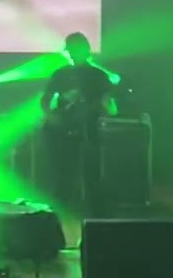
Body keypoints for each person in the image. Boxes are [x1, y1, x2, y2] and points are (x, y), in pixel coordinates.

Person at [40, 32, 118, 216]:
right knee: (63, 173)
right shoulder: (60, 74)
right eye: (69, 50)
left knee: (92, 172)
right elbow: (45, 101)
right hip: (63, 131)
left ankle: (94, 213)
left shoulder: (98, 75)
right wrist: (52, 116)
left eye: (74, 49)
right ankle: (61, 211)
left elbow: (108, 104)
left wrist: (103, 113)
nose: (71, 54)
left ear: (85, 50)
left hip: (90, 130)